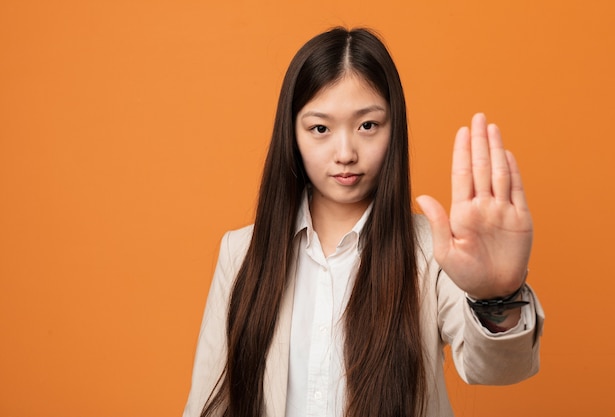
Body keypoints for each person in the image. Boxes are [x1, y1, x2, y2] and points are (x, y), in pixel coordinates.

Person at [183, 27, 544, 417]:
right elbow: (208, 402)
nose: (345, 153)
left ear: (395, 128)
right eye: (320, 128)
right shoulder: (240, 253)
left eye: (367, 125)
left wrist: (498, 295)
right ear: (292, 134)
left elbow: (498, 367)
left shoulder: (434, 253)